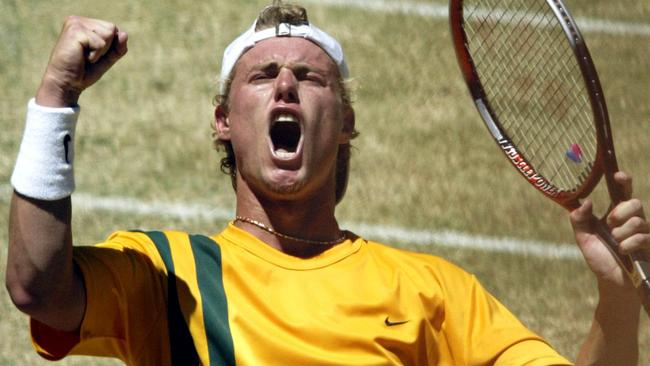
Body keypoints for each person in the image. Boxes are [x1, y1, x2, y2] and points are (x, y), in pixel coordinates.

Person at [6, 1, 649, 365]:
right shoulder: (166, 274)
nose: (286, 84)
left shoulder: (433, 291)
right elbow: (37, 286)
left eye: (310, 79)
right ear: (224, 121)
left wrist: (617, 302)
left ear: (345, 123)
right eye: (263, 77)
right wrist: (56, 97)